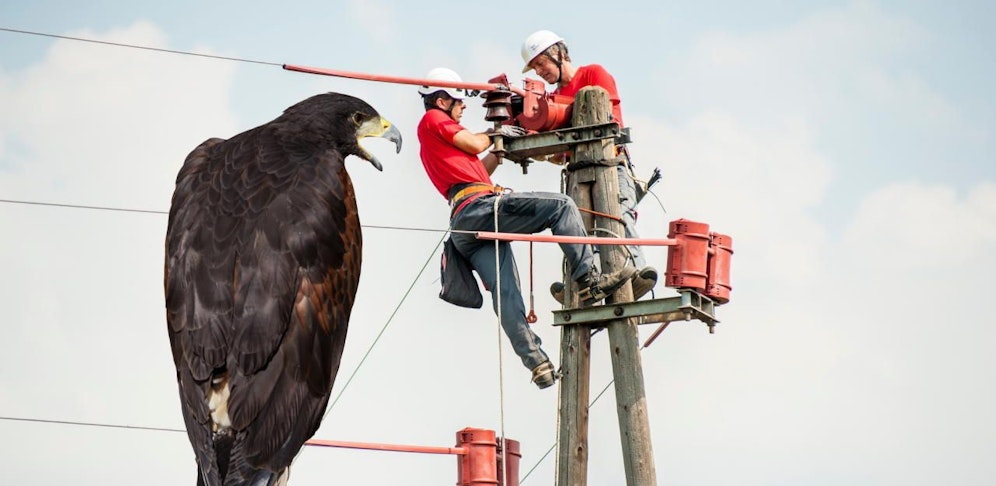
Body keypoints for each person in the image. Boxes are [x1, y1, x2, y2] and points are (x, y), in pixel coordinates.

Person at [416, 67, 636, 389]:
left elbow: (482, 169)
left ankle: (537, 364)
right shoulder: (433, 119)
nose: (463, 107)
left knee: (506, 295)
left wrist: (501, 148)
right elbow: (474, 144)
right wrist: (497, 133)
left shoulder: (443, 142)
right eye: (458, 101)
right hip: (479, 209)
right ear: (440, 100)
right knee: (561, 206)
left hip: (466, 223)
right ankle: (590, 280)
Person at [520, 30, 658, 302]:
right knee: (576, 227)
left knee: (617, 215)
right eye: (535, 68)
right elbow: (563, 151)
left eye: (541, 64)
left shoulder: (593, 75)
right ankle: (583, 284)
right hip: (577, 171)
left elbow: (611, 122)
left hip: (610, 164)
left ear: (558, 54)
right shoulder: (553, 98)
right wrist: (543, 150)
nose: (539, 72)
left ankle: (637, 274)